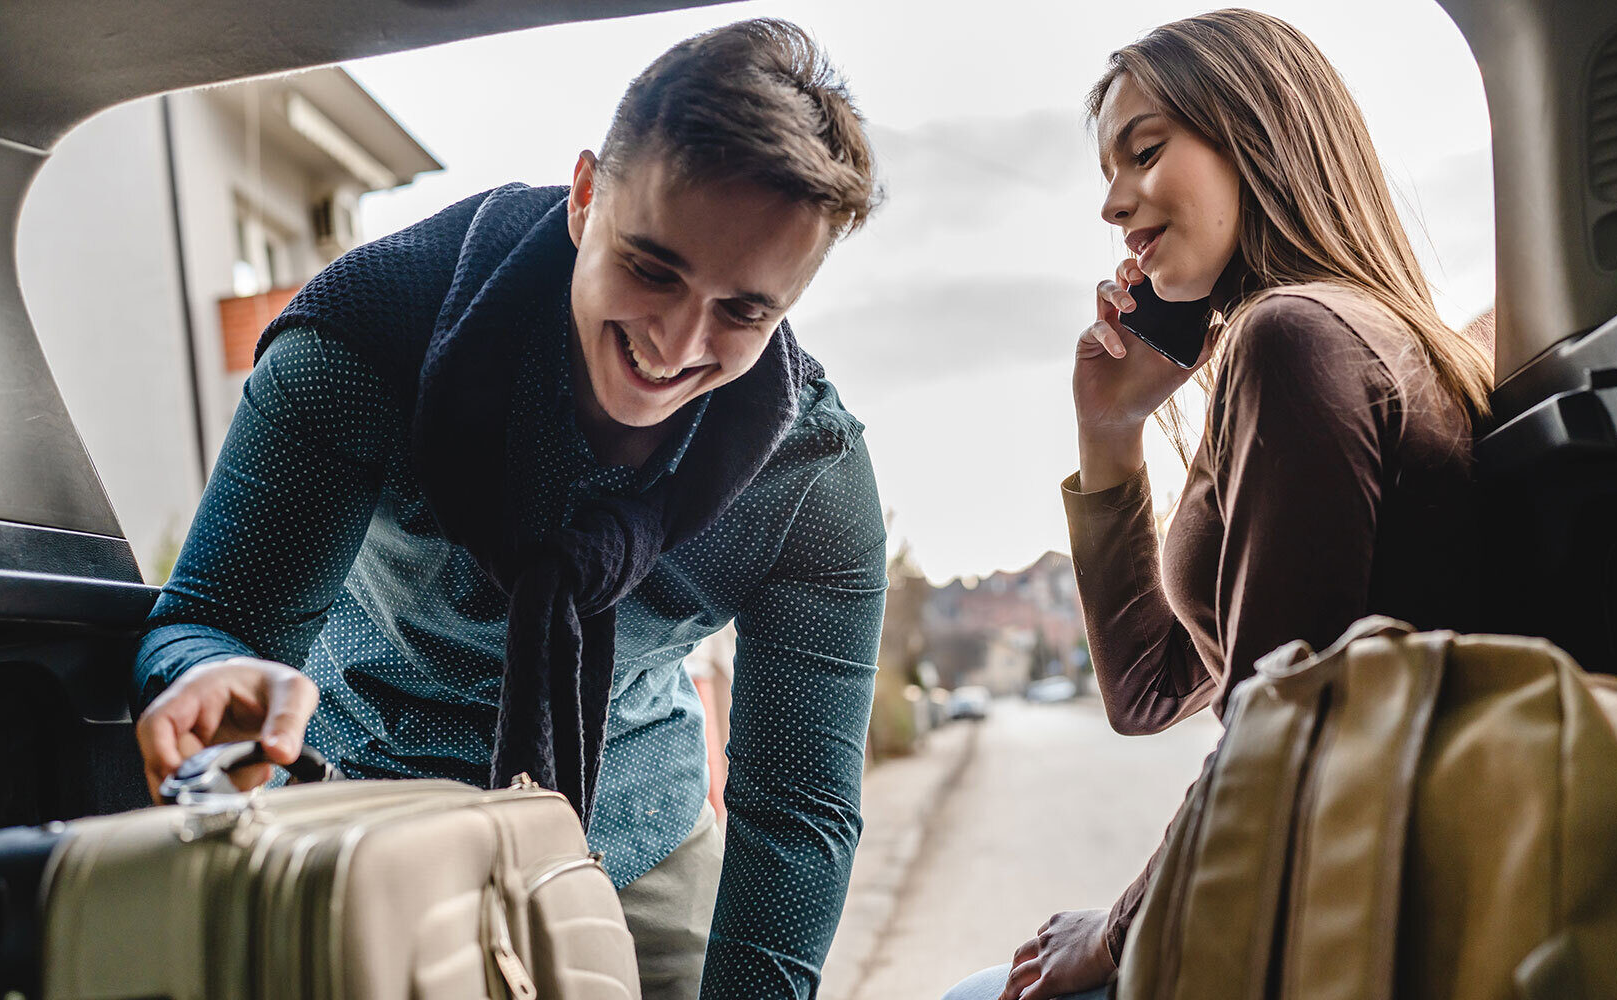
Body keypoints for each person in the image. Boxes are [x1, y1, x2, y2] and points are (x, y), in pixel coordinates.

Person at [131, 20, 886, 1000]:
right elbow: (208, 622)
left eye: (744, 312)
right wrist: (207, 669)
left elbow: (797, 808)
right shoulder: (363, 340)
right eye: (651, 266)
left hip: (637, 847)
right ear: (584, 196)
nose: (675, 341)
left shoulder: (808, 477)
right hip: (359, 822)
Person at [944, 10, 1492, 1000]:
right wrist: (1109, 433)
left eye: (1142, 151)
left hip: (1342, 918)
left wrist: (1112, 933)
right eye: (1106, 174)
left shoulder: (1296, 340)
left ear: (1257, 130)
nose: (1113, 205)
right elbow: (1152, 689)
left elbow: (1271, 739)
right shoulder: (1338, 336)